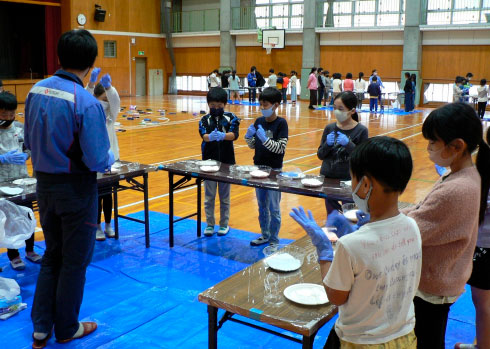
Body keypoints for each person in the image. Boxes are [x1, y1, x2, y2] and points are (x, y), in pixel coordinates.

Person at [24, 29, 114, 347]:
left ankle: (40, 327)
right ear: (91, 63)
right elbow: (98, 159)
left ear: (60, 56)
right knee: (74, 262)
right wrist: (110, 156)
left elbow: (28, 142)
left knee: (52, 255)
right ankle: (66, 327)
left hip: (44, 186)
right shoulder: (85, 103)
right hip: (75, 190)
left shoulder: (35, 92)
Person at [292, 136, 421, 349]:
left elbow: (335, 296)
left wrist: (325, 252)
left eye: (353, 179)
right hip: (404, 335)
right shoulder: (412, 227)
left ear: (366, 184)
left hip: (362, 341)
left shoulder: (351, 244)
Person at [400, 102, 490, 349]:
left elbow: (414, 228)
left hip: (433, 285)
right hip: (440, 279)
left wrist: (381, 217)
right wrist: (397, 212)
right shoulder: (460, 175)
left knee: (426, 340)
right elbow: (421, 210)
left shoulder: (458, 189)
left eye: (432, 142)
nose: (428, 148)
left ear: (457, 146)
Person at [0, 92, 41, 271]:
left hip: (22, 180)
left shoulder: (19, 128)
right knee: (9, 219)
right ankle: (14, 255)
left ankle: (30, 250)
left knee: (27, 215)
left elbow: (30, 147)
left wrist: (26, 154)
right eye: (4, 114)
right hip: (2, 183)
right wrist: (2, 158)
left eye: (11, 114)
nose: (8, 118)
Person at [244, 87, 288, 246]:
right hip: (258, 169)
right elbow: (253, 145)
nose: (262, 108)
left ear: (275, 105)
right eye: (261, 105)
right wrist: (249, 137)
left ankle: (274, 239)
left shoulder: (281, 123)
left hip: (274, 171)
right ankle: (264, 234)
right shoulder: (259, 121)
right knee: (262, 206)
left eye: (266, 105)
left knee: (274, 208)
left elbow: (280, 148)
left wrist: (265, 140)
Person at [317, 91, 368, 215]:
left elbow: (362, 158)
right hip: (328, 177)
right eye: (335, 108)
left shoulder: (361, 130)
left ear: (352, 111)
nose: (337, 111)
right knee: (332, 214)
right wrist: (327, 145)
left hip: (349, 180)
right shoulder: (329, 128)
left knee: (349, 214)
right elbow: (320, 154)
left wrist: (349, 145)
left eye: (341, 108)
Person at [199, 87, 240, 237]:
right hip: (208, 163)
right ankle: (210, 224)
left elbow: (234, 135)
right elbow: (204, 136)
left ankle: (224, 224)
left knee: (224, 196)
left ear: (225, 104)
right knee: (209, 197)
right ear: (208, 104)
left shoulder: (231, 117)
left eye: (219, 106)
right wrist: (211, 136)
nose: (216, 109)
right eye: (213, 106)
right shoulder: (204, 119)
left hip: (226, 162)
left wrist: (223, 136)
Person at [86, 69, 121, 241]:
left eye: (107, 100)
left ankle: (108, 224)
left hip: (110, 161)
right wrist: (91, 85)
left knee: (108, 195)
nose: (106, 103)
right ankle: (97, 226)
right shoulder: (89, 116)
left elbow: (115, 101)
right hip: (93, 161)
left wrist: (109, 88)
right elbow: (84, 100)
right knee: (96, 196)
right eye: (103, 100)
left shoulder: (110, 117)